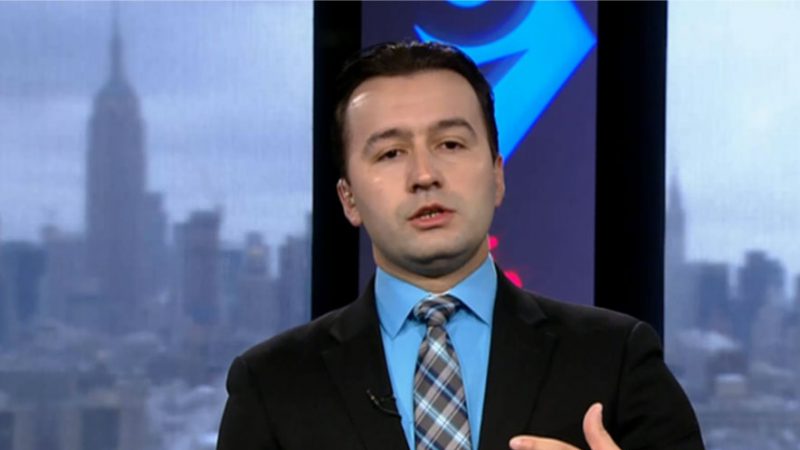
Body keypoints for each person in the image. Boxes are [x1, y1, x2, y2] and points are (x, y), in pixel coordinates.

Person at [217, 41, 704, 450]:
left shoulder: (617, 360)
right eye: (391, 153)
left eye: (450, 144)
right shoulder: (271, 385)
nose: (424, 175)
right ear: (349, 199)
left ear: (497, 174)